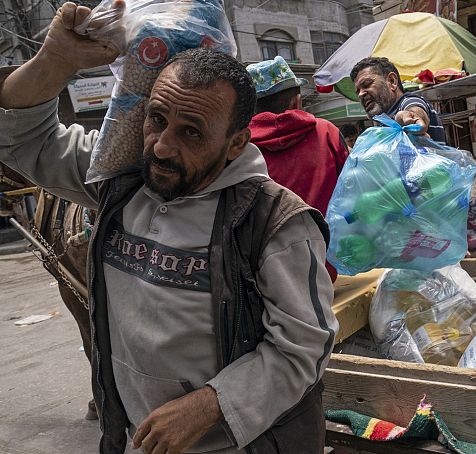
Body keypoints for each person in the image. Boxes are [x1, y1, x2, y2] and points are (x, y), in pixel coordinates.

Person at [0, 3, 337, 454]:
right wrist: (55, 59)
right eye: (156, 119)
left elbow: (304, 348)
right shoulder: (117, 182)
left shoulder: (275, 223)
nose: (161, 147)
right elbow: (21, 140)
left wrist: (211, 404)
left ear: (237, 142)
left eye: (192, 132)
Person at [246, 57, 348, 282]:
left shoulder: (239, 147)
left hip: (267, 278)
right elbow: (351, 192)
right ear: (297, 101)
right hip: (327, 269)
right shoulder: (327, 133)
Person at [350, 57, 446, 142]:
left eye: (367, 84)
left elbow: (415, 111)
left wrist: (409, 118)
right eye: (357, 91)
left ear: (392, 81)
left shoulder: (408, 101)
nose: (361, 94)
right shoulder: (383, 123)